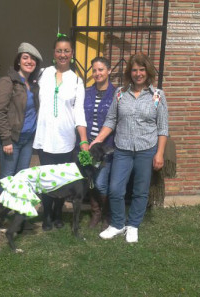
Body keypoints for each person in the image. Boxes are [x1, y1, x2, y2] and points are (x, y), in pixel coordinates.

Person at [90, 52, 168, 243]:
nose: (138, 73)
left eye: (142, 69)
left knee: (140, 191)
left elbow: (163, 127)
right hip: (123, 149)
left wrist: (159, 153)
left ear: (147, 72)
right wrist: (98, 140)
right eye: (134, 70)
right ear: (129, 72)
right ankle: (117, 224)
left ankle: (132, 225)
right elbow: (111, 120)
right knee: (116, 189)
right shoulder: (120, 94)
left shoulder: (158, 96)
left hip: (146, 150)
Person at [33, 34, 88, 231]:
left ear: (72, 54)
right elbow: (23, 78)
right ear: (54, 53)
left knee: (61, 180)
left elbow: (79, 111)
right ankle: (47, 214)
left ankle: (58, 214)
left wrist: (83, 140)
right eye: (59, 51)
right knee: (47, 180)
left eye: (66, 51)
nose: (62, 54)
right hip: (45, 138)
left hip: (65, 139)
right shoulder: (42, 73)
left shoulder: (76, 81)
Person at [0, 42, 42, 232]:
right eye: (25, 57)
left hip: (28, 139)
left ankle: (18, 220)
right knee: (6, 178)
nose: (29, 61)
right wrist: (5, 139)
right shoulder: (8, 81)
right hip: (11, 140)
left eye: (33, 59)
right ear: (18, 60)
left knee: (21, 181)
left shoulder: (33, 84)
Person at [84, 57, 115, 230]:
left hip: (105, 147)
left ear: (109, 71)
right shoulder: (87, 92)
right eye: (94, 70)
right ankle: (95, 212)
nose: (97, 73)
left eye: (101, 69)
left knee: (102, 182)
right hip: (88, 146)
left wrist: (99, 140)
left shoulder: (116, 93)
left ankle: (106, 213)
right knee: (91, 180)